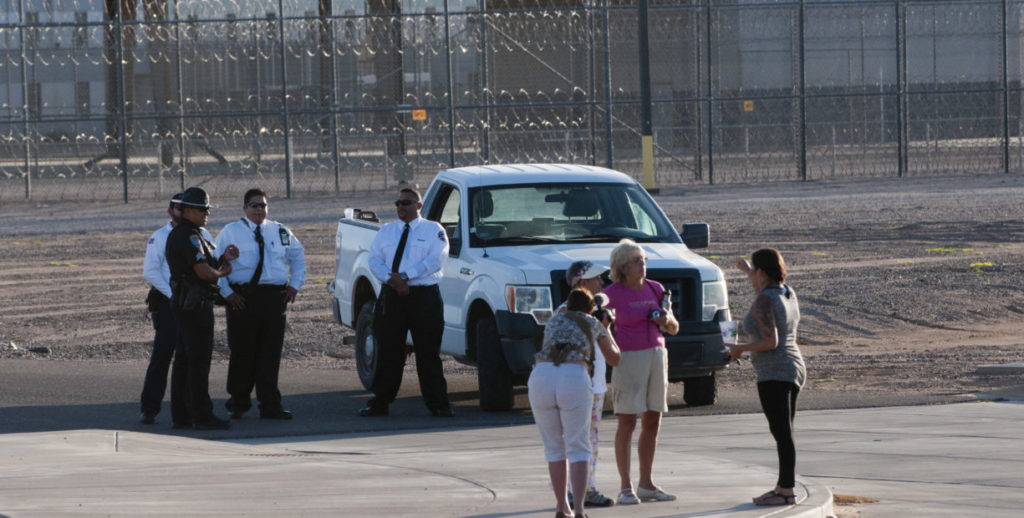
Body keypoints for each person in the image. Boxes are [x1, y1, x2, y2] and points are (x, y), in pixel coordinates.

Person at [358, 187, 454, 418]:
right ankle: (381, 402)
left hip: (424, 297)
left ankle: (438, 404)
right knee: (389, 350)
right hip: (392, 295)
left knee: (428, 352)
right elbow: (375, 259)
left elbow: (436, 259)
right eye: (398, 203)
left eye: (407, 203)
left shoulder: (433, 230)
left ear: (418, 206)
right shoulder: (386, 231)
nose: (401, 207)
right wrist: (393, 280)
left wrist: (405, 276)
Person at [214, 188, 305, 420]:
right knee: (242, 352)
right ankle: (238, 402)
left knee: (270, 353)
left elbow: (297, 255)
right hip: (242, 299)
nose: (259, 210)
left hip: (274, 298)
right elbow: (216, 262)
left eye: (263, 205)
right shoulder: (231, 231)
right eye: (254, 206)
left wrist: (294, 284)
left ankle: (270, 405)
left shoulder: (280, 230)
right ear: (244, 208)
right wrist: (226, 294)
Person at [530, 288, 620, 518]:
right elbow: (614, 358)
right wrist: (606, 328)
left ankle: (562, 507)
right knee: (578, 446)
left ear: (567, 306)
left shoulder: (553, 320)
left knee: (553, 448)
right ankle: (579, 510)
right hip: (573, 377)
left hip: (541, 376)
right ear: (591, 308)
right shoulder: (592, 321)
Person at [603, 239, 679, 505]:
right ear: (622, 266)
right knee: (627, 421)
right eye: (637, 261)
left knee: (653, 419)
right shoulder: (611, 293)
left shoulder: (656, 289)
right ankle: (625, 487)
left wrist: (666, 319)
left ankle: (646, 484)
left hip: (657, 355)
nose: (642, 264)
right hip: (628, 358)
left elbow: (674, 328)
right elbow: (599, 326)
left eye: (644, 259)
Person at [728, 248, 805, 506]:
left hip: (775, 371)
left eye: (754, 274)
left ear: (762, 273)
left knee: (782, 432)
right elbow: (765, 293)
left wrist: (740, 349)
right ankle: (784, 486)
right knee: (785, 431)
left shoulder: (764, 300)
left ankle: (786, 492)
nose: (751, 279)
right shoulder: (786, 292)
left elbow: (770, 341)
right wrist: (749, 270)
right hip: (793, 367)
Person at [165, 187, 238, 430]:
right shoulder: (189, 236)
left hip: (188, 301)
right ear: (186, 210)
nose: (206, 213)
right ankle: (201, 415)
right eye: (201, 209)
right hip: (193, 304)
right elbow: (203, 272)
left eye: (207, 209)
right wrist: (223, 272)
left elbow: (203, 264)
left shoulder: (191, 234)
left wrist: (222, 260)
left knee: (185, 360)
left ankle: (183, 414)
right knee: (197, 361)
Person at [139, 192, 215, 425]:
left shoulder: (201, 234)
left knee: (188, 358)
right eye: (176, 207)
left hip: (191, 301)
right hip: (170, 300)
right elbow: (150, 271)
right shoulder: (160, 237)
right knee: (163, 355)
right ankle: (150, 407)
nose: (179, 211)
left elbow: (209, 262)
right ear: (172, 211)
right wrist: (174, 295)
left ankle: (186, 409)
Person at [560, 261, 616, 508]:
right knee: (575, 438)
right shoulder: (565, 312)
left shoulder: (594, 312)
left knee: (590, 438)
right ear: (582, 283)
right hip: (575, 385)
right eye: (596, 279)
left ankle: (587, 487)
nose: (601, 283)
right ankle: (572, 490)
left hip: (594, 385)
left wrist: (604, 327)